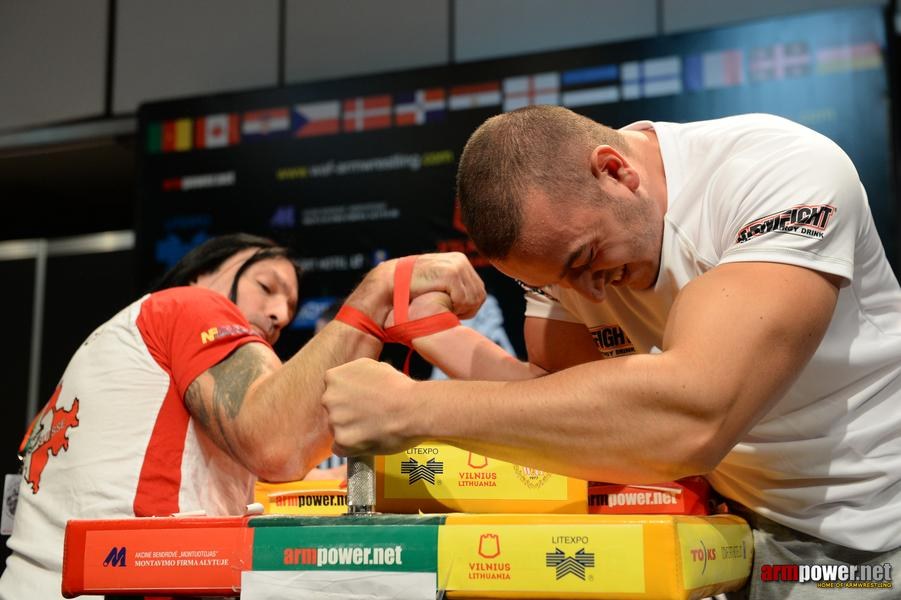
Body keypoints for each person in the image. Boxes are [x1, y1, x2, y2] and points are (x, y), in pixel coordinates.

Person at [322, 107, 901, 598]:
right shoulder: (565, 251)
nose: (591, 295)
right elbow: (569, 410)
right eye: (556, 283)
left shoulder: (780, 172)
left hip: (872, 529)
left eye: (585, 260)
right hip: (733, 530)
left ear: (616, 171)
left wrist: (413, 409)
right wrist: (434, 330)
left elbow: (693, 415)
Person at [0, 233, 483, 600]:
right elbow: (277, 443)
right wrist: (379, 289)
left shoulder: (125, 353)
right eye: (266, 286)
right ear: (202, 273)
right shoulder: (190, 305)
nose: (278, 314)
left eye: (290, 307)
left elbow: (293, 470)